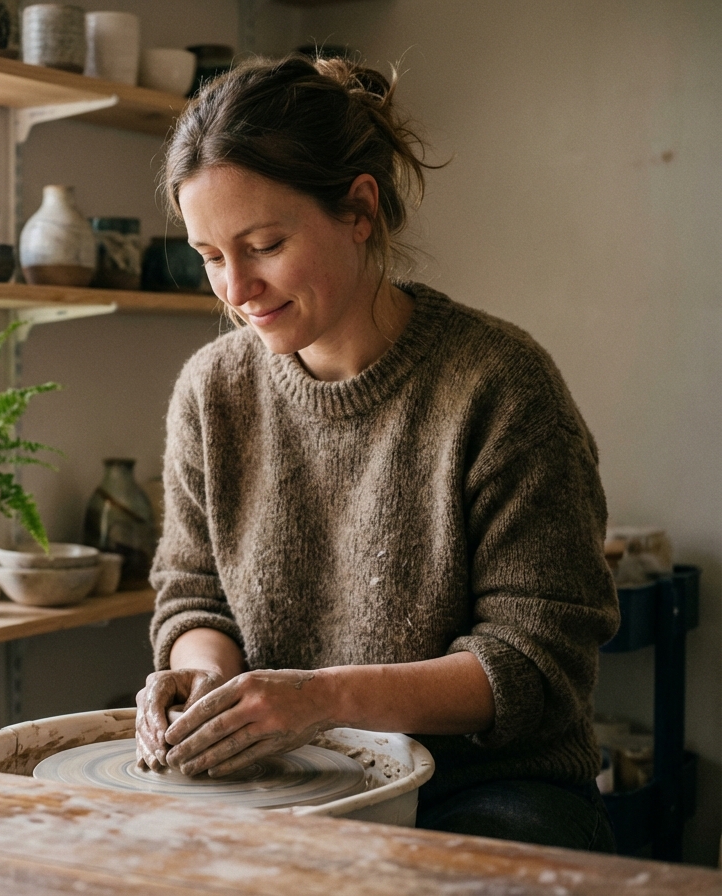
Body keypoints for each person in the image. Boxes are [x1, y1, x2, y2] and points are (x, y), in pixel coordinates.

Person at [135, 54, 620, 852]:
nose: (236, 290)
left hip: (488, 789)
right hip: (285, 776)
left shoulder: (498, 385)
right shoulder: (211, 392)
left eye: (262, 244)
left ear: (359, 208)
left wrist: (320, 698)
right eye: (211, 257)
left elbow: (535, 659)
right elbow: (194, 596)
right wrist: (207, 676)